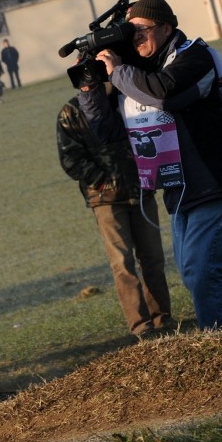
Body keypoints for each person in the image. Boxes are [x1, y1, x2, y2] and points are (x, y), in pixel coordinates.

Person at [87, 0, 222, 329]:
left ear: (166, 27)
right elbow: (106, 132)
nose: (135, 37)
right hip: (179, 190)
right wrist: (90, 87)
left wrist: (119, 71)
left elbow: (166, 95)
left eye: (142, 29)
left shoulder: (194, 57)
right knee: (196, 274)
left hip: (216, 182)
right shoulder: (138, 72)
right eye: (131, 31)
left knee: (202, 273)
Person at [57, 93, 173, 338]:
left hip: (142, 190)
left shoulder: (130, 100)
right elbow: (70, 157)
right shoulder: (72, 111)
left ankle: (163, 319)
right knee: (122, 264)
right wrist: (102, 181)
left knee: (153, 258)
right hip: (106, 200)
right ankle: (141, 326)